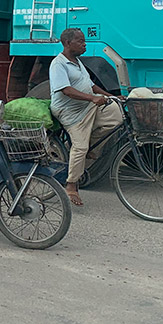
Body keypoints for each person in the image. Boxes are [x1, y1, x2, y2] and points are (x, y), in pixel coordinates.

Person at [48, 28, 123, 206]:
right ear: (67, 43)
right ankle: (71, 184)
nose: (84, 44)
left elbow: (91, 86)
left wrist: (111, 97)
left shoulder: (78, 62)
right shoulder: (58, 64)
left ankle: (92, 147)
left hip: (86, 107)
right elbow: (66, 90)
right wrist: (92, 98)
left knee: (117, 116)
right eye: (80, 41)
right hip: (70, 112)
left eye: (84, 41)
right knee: (79, 148)